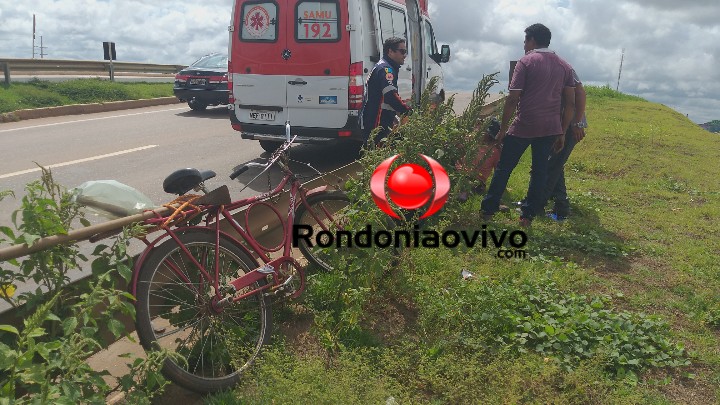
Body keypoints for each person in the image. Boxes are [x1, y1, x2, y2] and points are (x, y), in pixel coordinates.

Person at [480, 23, 576, 227]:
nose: (524, 45)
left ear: (532, 40)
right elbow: (570, 103)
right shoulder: (564, 66)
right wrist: (562, 131)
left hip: (524, 124)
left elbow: (513, 98)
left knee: (505, 167)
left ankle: (488, 209)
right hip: (550, 128)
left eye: (525, 41)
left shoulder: (526, 62)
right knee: (539, 171)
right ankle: (527, 216)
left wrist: (503, 128)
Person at [542, 69, 588, 221]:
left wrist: (577, 122)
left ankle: (538, 205)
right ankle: (561, 206)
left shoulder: (562, 67)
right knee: (556, 164)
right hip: (557, 125)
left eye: (526, 43)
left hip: (569, 127)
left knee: (552, 166)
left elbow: (580, 93)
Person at [360, 37, 412, 145]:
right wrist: (407, 111)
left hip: (378, 118)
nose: (405, 55)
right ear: (390, 52)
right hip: (377, 121)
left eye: (406, 52)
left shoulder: (384, 66)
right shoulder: (386, 69)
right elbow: (390, 96)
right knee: (376, 154)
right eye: (402, 51)